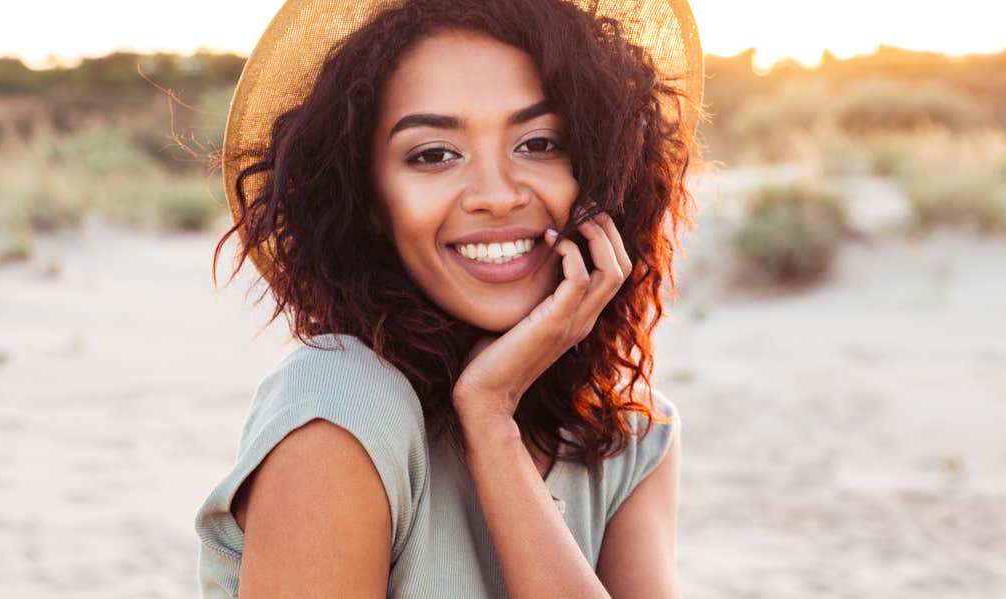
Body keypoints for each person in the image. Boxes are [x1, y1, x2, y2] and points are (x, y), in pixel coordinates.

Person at [195, 0, 703, 596]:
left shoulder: (630, 433)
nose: (496, 195)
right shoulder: (341, 408)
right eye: (434, 154)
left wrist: (492, 423)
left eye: (539, 143)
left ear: (598, 173)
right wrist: (487, 413)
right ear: (370, 203)